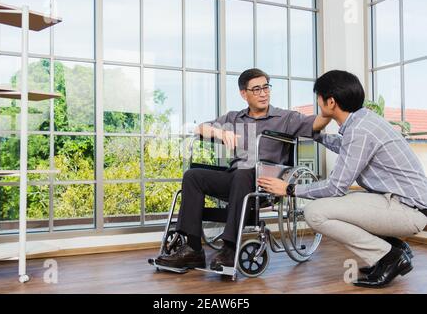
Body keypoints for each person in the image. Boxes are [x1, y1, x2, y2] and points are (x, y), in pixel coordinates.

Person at [257, 70, 427, 288]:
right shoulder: (363, 121)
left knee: (315, 212)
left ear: (331, 102)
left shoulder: (359, 131)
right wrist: (317, 136)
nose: (318, 105)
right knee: (343, 203)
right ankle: (393, 248)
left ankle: (389, 257)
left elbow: (335, 187)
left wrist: (290, 189)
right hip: (399, 202)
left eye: (318, 99)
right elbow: (347, 148)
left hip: (409, 211)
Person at [155, 68, 331, 271]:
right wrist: (219, 132)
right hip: (236, 178)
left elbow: (316, 124)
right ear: (243, 93)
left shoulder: (285, 117)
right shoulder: (234, 118)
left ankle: (230, 247)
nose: (263, 93)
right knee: (192, 176)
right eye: (256, 89)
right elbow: (200, 128)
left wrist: (329, 110)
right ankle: (193, 249)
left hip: (265, 181)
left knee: (244, 171)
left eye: (266, 87)